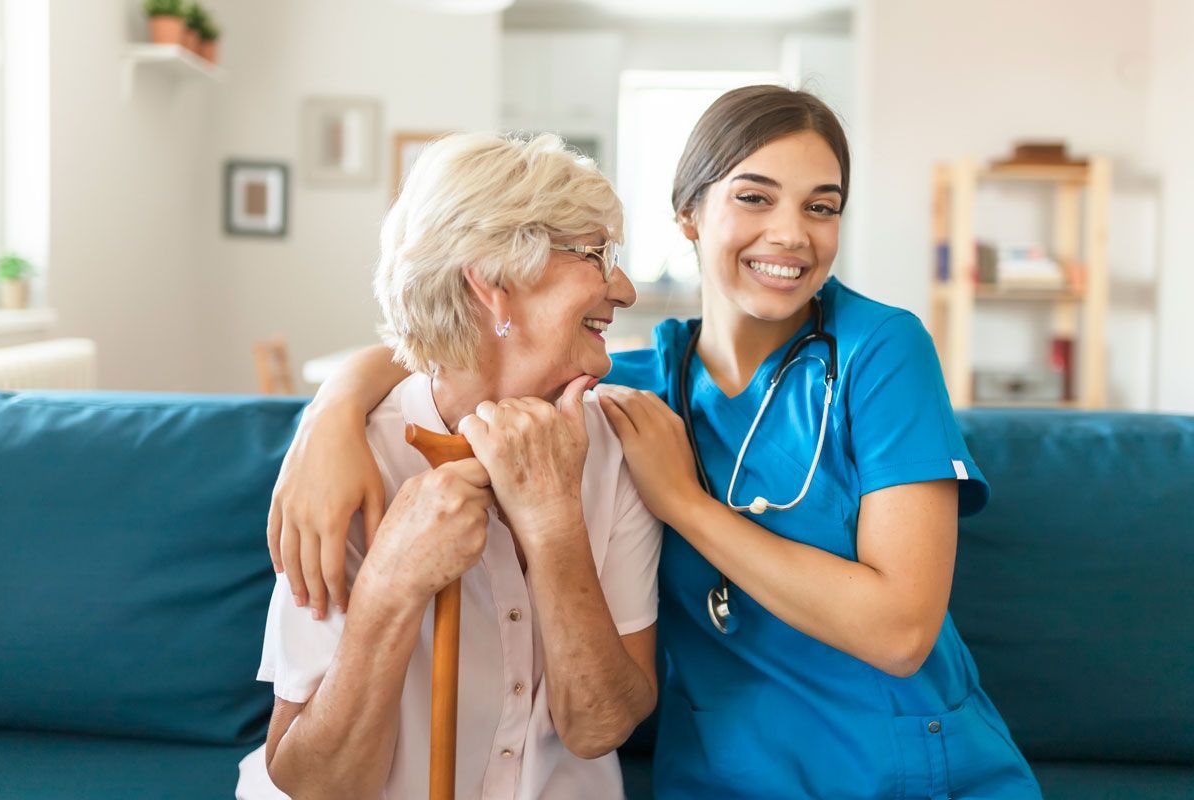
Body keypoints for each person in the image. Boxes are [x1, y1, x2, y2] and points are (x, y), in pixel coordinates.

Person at [266, 87, 1042, 799]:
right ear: (688, 215)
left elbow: (903, 632)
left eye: (823, 206)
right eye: (754, 197)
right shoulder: (632, 382)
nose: (793, 234)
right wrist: (328, 420)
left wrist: (685, 504)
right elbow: (453, 361)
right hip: (721, 776)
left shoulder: (879, 349)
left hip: (893, 767)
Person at [236, 132, 662, 800]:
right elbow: (309, 782)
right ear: (492, 283)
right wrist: (388, 586)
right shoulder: (355, 465)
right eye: (597, 253)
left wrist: (554, 527)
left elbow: (599, 728)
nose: (627, 288)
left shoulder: (616, 444)